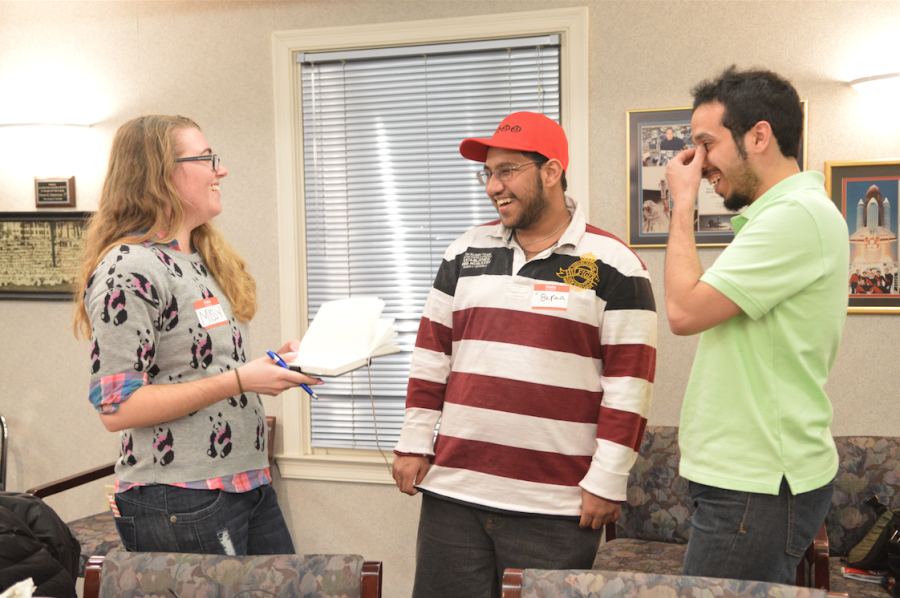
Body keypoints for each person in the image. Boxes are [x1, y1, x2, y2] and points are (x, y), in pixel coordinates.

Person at [392, 112, 657, 598]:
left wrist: (608, 479)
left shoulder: (616, 265)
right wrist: (413, 443)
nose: (493, 186)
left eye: (507, 170)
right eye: (488, 174)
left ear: (552, 172)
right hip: (454, 495)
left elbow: (629, 386)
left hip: (555, 506)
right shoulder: (463, 252)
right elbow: (432, 355)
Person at [72, 115, 322, 555]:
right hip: (180, 496)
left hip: (247, 483)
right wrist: (243, 379)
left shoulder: (200, 257)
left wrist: (268, 367)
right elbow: (117, 407)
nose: (219, 170)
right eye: (206, 158)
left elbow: (200, 369)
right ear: (161, 174)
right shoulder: (129, 268)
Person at [664, 66, 848, 583]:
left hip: (758, 483)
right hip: (750, 479)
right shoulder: (781, 216)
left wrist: (680, 205)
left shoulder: (796, 216)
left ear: (759, 136)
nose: (698, 164)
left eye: (706, 144)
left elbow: (683, 312)